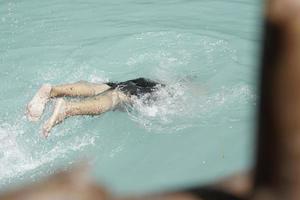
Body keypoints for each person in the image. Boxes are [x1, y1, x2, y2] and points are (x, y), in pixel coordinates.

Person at [26, 78, 164, 138]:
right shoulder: (174, 92)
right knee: (116, 97)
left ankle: (53, 91)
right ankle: (68, 108)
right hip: (155, 92)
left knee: (100, 87)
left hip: (143, 81)